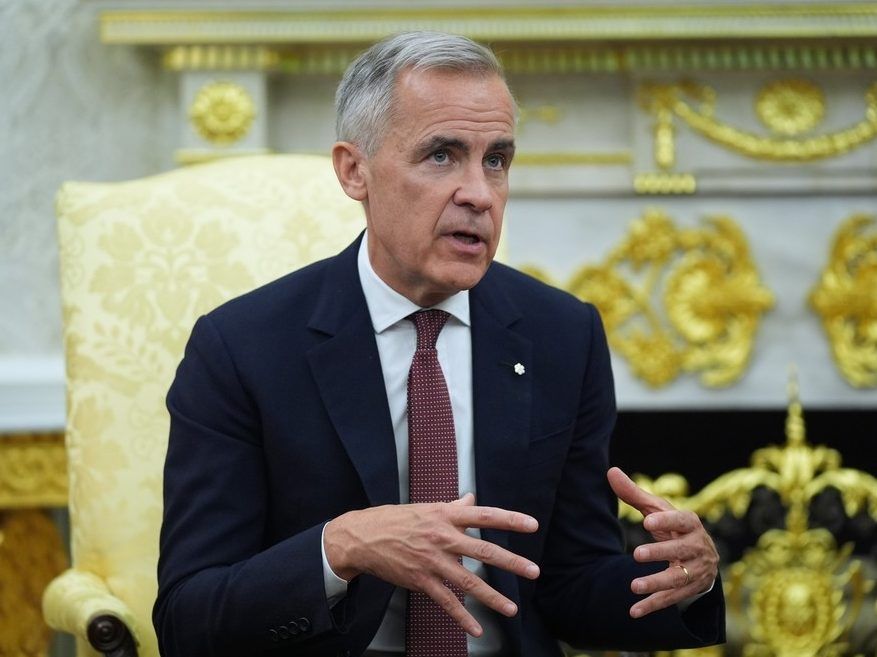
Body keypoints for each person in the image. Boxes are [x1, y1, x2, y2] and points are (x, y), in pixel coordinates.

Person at [154, 31, 724, 657]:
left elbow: (569, 584)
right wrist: (341, 548)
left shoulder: (562, 334)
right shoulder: (243, 348)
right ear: (354, 171)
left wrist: (684, 582)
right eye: (442, 156)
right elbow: (189, 617)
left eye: (497, 160)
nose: (479, 193)